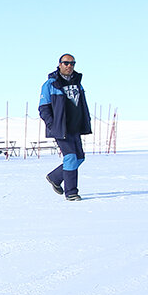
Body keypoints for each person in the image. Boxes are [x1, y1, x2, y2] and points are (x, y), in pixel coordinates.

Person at [39, 53, 92, 201]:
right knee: (70, 157)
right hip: (60, 129)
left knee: (80, 158)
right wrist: (52, 124)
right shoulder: (51, 84)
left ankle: (55, 177)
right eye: (66, 63)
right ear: (60, 64)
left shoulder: (77, 83)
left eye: (72, 63)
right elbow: (43, 108)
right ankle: (71, 193)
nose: (69, 66)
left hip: (76, 127)